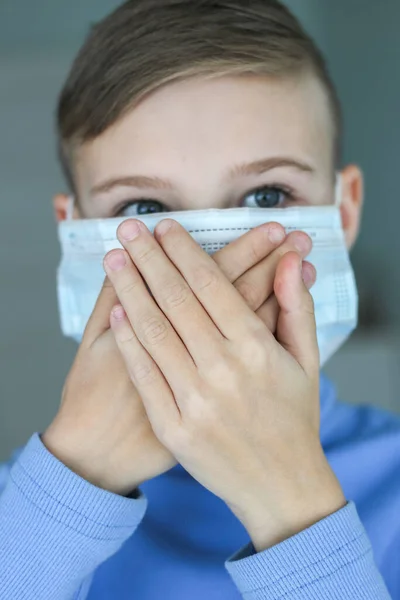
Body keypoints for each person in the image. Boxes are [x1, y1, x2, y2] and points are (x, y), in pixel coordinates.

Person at [0, 1, 399, 598]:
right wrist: (76, 480)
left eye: (266, 196)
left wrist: (290, 502)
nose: (204, 269)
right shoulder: (19, 511)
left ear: (342, 213)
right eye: (143, 210)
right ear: (74, 233)